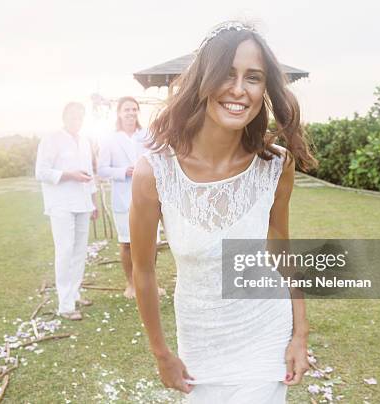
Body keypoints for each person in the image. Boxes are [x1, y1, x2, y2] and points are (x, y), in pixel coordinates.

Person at [130, 21, 318, 403]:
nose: (238, 89)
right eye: (227, 75)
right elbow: (144, 270)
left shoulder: (275, 166)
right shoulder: (155, 172)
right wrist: (161, 353)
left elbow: (282, 252)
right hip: (200, 343)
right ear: (203, 80)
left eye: (253, 78)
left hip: (265, 335)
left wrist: (300, 334)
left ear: (265, 89)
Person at [35, 102, 98, 321]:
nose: (76, 120)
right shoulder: (51, 138)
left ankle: (74, 293)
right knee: (64, 251)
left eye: (80, 116)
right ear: (64, 116)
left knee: (80, 250)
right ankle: (65, 305)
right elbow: (41, 172)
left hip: (82, 202)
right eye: (72, 116)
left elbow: (89, 173)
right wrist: (70, 175)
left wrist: (94, 202)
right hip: (60, 203)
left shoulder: (84, 141)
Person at [97, 96, 164, 299]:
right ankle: (132, 285)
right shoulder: (110, 139)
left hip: (148, 197)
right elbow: (102, 170)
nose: (131, 113)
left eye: (134, 109)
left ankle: (151, 284)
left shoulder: (147, 136)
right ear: (119, 113)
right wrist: (123, 171)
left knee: (151, 243)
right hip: (122, 198)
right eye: (127, 109)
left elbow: (159, 160)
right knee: (127, 243)